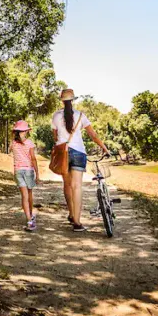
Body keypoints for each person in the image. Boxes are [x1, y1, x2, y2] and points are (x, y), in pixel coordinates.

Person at [52, 88, 110, 232]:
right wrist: (104, 147)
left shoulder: (56, 116)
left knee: (67, 184)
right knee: (77, 186)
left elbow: (55, 136)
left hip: (63, 152)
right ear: (73, 100)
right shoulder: (80, 115)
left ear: (62, 101)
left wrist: (62, 144)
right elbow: (93, 135)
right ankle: (77, 222)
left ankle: (71, 214)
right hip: (78, 152)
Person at [10, 120, 40, 232]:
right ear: (25, 131)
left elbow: (11, 151)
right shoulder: (30, 143)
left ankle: (29, 220)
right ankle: (31, 215)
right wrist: (37, 174)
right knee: (29, 194)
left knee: (24, 196)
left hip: (18, 171)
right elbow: (33, 159)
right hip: (28, 170)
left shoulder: (13, 143)